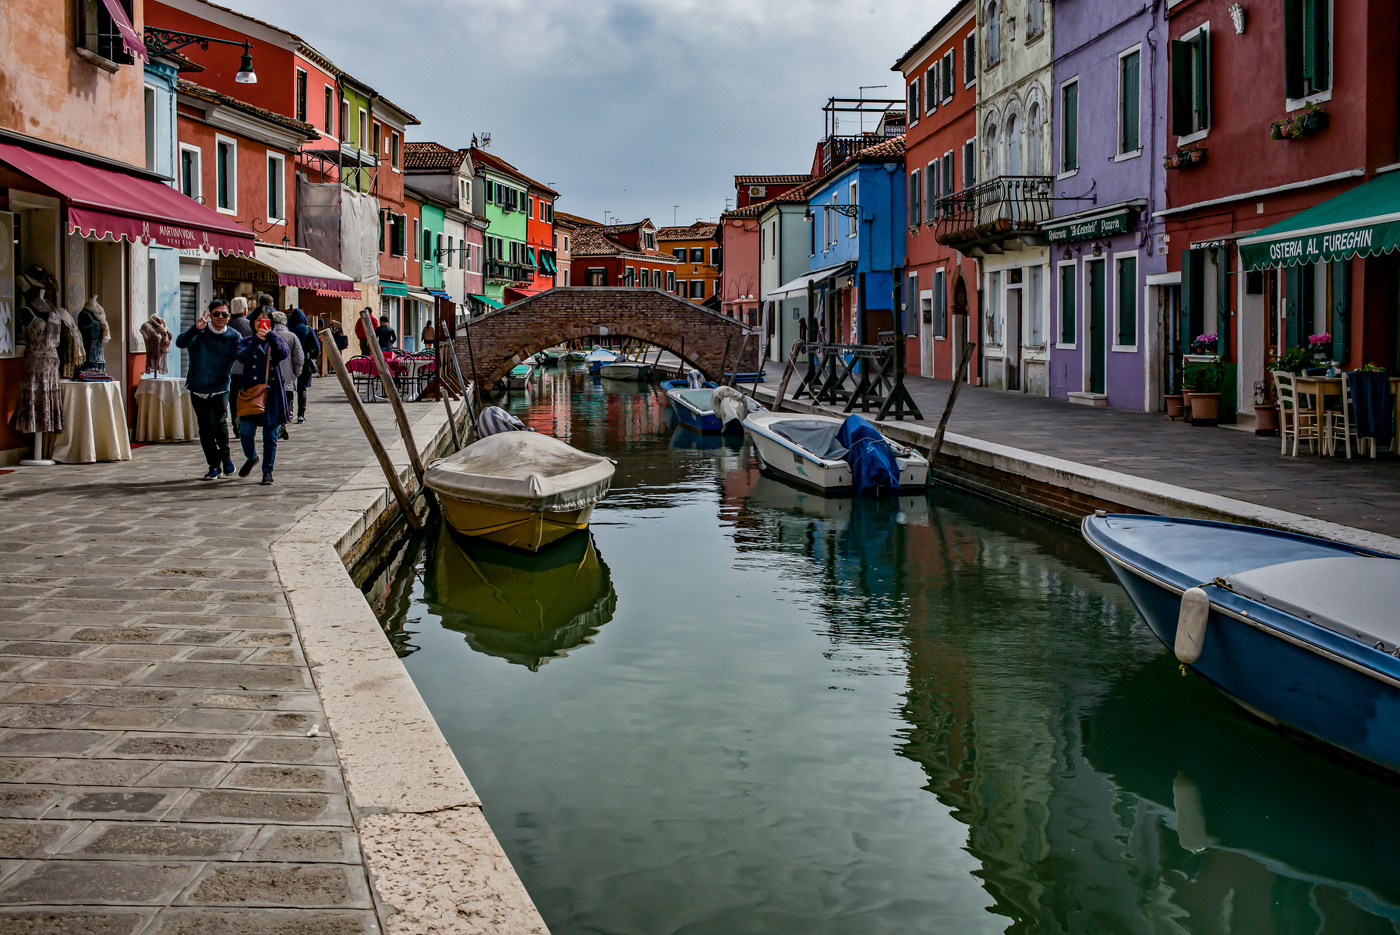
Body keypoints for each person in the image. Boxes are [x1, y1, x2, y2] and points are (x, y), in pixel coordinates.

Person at [176, 299, 241, 479]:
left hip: (220, 386)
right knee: (204, 428)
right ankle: (213, 465)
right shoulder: (199, 331)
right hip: (198, 386)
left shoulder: (234, 336)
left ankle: (226, 458)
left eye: (224, 314)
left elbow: (244, 354)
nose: (220, 317)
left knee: (219, 424)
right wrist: (195, 329)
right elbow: (180, 343)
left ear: (229, 317)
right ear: (210, 315)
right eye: (216, 314)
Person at [233, 314, 288, 485]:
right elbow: (242, 357)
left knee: (270, 436)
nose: (262, 324)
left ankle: (267, 471)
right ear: (253, 323)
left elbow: (283, 353)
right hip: (252, 393)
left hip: (272, 393)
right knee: (245, 432)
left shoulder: (275, 340)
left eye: (265, 321)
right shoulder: (246, 341)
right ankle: (252, 457)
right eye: (258, 321)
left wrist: (270, 335)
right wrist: (257, 340)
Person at [270, 312, 303, 440]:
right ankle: (284, 420)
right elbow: (298, 357)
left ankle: (275, 423)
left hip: (271, 374)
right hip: (287, 374)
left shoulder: (267, 335)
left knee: (272, 399)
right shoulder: (291, 336)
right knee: (287, 398)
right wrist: (297, 372)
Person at [286, 309, 320, 423]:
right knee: (302, 388)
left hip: (288, 361)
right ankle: (301, 414)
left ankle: (289, 411)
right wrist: (313, 356)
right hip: (304, 360)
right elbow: (316, 347)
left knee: (288, 387)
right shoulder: (307, 329)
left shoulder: (286, 329)